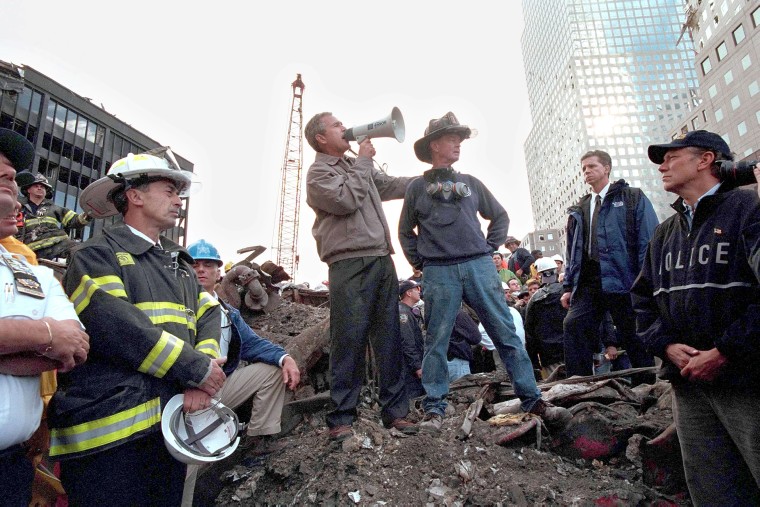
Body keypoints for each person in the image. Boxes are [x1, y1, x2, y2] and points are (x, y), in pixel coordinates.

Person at [48, 152, 225, 506]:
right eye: (169, 190)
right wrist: (197, 370)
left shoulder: (179, 265)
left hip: (166, 431)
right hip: (107, 438)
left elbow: (209, 314)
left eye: (179, 193)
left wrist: (201, 380)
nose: (178, 200)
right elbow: (117, 327)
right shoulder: (95, 255)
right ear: (135, 195)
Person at [399, 111, 570, 433]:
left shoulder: (471, 184)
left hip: (478, 266)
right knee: (437, 340)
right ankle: (435, 407)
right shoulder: (417, 189)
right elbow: (405, 231)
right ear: (435, 144)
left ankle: (533, 399)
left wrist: (487, 248)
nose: (458, 145)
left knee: (506, 334)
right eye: (452, 139)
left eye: (460, 140)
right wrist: (422, 262)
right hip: (439, 271)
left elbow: (499, 216)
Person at [632, 130, 760, 504]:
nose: (662, 166)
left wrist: (725, 351)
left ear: (705, 160)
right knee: (712, 488)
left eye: (672, 157)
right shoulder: (664, 234)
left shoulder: (748, 209)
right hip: (689, 386)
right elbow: (641, 301)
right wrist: (667, 346)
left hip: (744, 377)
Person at [304, 112, 417, 442]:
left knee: (390, 338)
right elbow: (345, 200)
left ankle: (396, 412)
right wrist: (364, 162)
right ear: (321, 138)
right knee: (349, 339)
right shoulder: (318, 172)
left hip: (381, 259)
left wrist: (426, 181)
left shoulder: (355, 167)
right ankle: (342, 416)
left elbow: (390, 185)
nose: (345, 128)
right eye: (337, 125)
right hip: (349, 264)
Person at [0, 128, 90, 506]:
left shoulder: (31, 270)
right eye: (4, 174)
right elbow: (57, 340)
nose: (15, 186)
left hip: (9, 467)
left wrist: (18, 344)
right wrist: (47, 336)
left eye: (14, 180)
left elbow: (74, 346)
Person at [183, 239, 300, 506]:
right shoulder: (176, 306)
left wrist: (286, 357)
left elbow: (252, 344)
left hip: (218, 387)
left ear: (218, 272)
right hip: (184, 395)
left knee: (271, 370)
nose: (201, 270)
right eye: (195, 265)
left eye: (208, 265)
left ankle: (259, 438)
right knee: (185, 464)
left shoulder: (226, 311)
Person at [561, 149, 659, 383]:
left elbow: (648, 239)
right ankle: (578, 385)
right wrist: (567, 286)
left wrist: (646, 279)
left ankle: (647, 388)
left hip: (625, 279)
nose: (586, 171)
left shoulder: (631, 197)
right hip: (589, 280)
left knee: (633, 334)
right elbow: (572, 251)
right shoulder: (580, 208)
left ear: (606, 168)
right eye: (583, 168)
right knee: (574, 325)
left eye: (592, 166)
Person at [16, 173, 90, 261]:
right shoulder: (18, 209)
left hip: (60, 246)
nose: (40, 188)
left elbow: (75, 221)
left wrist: (89, 213)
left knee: (85, 252)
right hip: (32, 252)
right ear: (28, 190)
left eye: (43, 187)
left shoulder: (54, 208)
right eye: (36, 186)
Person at [524, 257, 568, 379]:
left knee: (558, 391)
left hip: (549, 355)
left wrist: (534, 362)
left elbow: (530, 333)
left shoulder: (534, 300)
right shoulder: (568, 292)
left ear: (539, 275)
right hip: (575, 349)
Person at [398, 279, 425, 399]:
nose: (419, 292)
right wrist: (417, 366)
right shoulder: (403, 313)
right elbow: (407, 342)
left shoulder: (407, 311)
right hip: (408, 369)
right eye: (417, 289)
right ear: (408, 293)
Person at [446, 307, 482, 382]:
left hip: (438, 361)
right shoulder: (456, 312)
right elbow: (476, 337)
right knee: (462, 391)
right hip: (457, 360)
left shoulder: (432, 312)